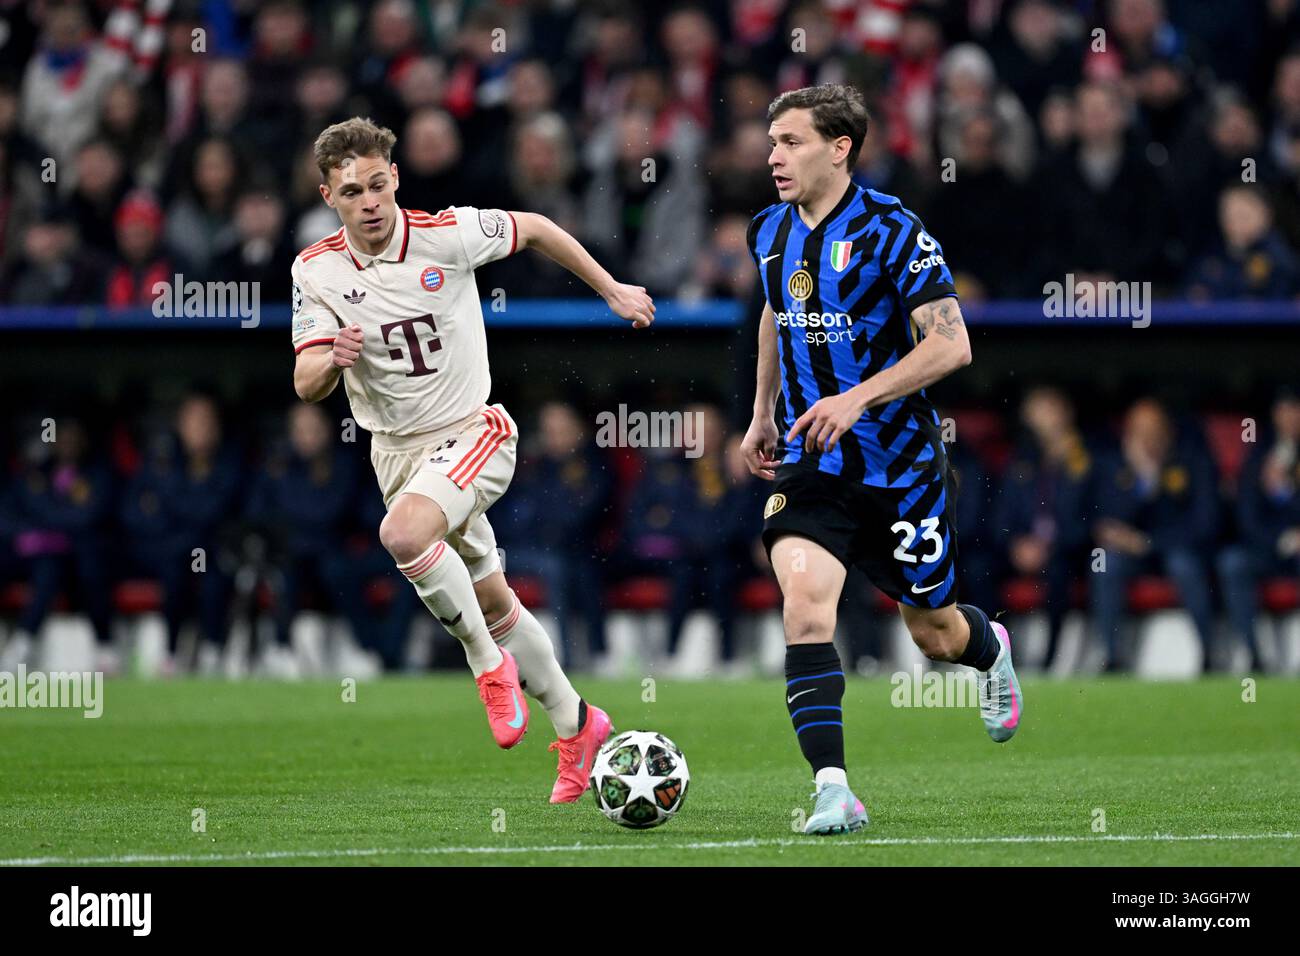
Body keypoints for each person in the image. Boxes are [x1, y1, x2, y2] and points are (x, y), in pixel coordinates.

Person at [289, 117, 654, 803]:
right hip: (395, 456)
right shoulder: (315, 269)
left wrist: (611, 290)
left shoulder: (448, 233)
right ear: (327, 196)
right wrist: (330, 360)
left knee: (402, 535)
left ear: (393, 178)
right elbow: (306, 380)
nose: (368, 202)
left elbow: (540, 227)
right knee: (492, 599)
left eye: (376, 185)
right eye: (350, 192)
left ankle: (488, 668)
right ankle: (579, 724)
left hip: (475, 431)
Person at [738, 84, 1022, 837]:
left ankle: (991, 651)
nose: (773, 156)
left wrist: (858, 397)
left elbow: (951, 343)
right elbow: (775, 311)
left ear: (840, 148)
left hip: (899, 467)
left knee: (932, 633)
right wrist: (764, 411)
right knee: (805, 608)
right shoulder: (768, 231)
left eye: (791, 141)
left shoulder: (894, 230)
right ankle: (834, 789)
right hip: (812, 461)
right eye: (772, 141)